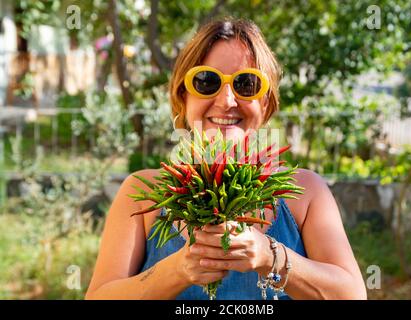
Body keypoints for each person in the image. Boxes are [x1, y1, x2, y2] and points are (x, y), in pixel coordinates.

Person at [85, 18, 367, 300]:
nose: (227, 101)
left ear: (265, 103)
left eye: (247, 84)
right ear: (183, 98)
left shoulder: (306, 192)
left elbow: (352, 295)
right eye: (206, 82)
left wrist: (271, 257)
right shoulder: (142, 194)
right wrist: (178, 271)